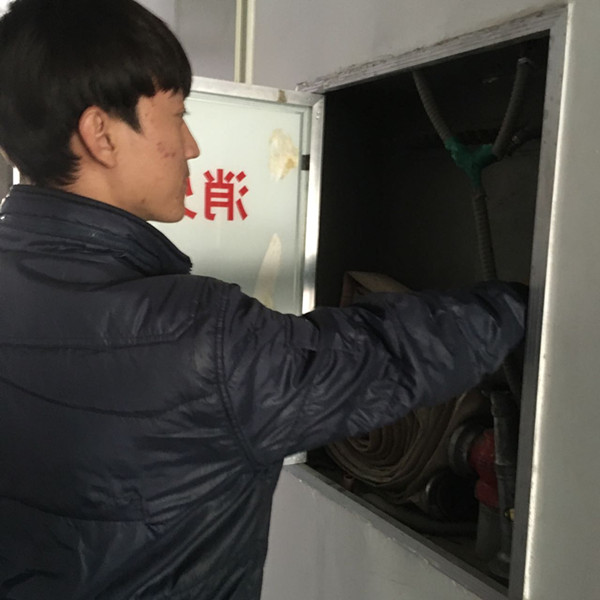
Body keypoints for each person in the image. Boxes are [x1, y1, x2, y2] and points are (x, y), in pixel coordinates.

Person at [0, 1, 527, 598]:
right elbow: (380, 356)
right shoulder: (200, 339)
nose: (192, 146)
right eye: (177, 115)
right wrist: (523, 305)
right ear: (101, 134)